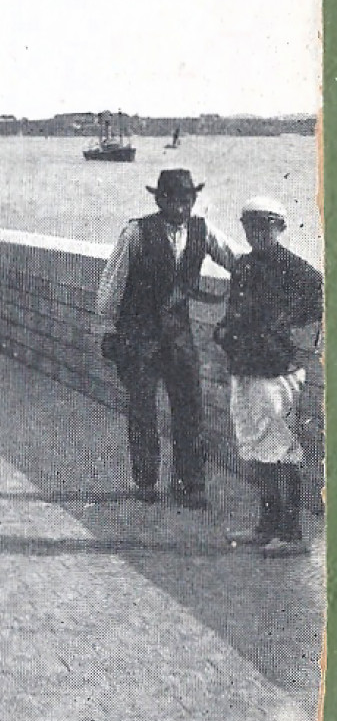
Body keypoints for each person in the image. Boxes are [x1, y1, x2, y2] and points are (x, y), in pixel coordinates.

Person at [93, 169, 239, 508]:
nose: (182, 208)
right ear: (161, 200)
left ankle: (191, 484)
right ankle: (146, 481)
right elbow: (112, 284)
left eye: (188, 200)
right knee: (142, 409)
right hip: (138, 337)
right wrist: (107, 328)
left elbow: (236, 260)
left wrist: (263, 276)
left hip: (178, 337)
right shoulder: (136, 232)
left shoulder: (203, 231)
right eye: (174, 200)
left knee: (190, 409)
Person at [214, 197, 322, 555]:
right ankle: (267, 525)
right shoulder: (245, 265)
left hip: (276, 371)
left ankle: (291, 535)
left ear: (280, 228)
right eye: (250, 226)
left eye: (265, 226)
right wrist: (226, 331)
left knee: (282, 450)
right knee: (255, 446)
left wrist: (285, 329)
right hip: (245, 367)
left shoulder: (296, 268)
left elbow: (320, 300)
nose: (256, 233)